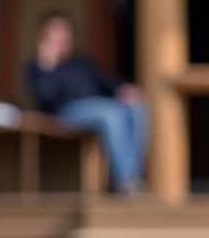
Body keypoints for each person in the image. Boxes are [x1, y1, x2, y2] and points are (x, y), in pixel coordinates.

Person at [26, 11, 149, 194]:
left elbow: (107, 82)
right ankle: (125, 180)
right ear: (44, 37)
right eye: (56, 33)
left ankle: (132, 175)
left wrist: (124, 89)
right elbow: (44, 98)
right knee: (112, 113)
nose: (62, 37)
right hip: (65, 114)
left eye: (65, 32)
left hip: (99, 108)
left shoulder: (82, 63)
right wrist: (47, 63)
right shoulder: (37, 68)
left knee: (136, 106)